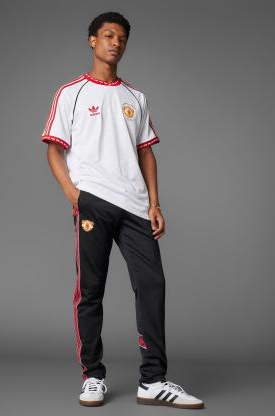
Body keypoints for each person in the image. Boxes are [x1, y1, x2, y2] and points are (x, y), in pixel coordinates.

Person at [41, 11, 204, 410]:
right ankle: (93, 376)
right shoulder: (71, 92)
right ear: (92, 40)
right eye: (108, 36)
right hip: (93, 202)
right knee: (91, 291)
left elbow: (146, 153)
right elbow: (54, 150)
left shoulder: (136, 98)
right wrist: (74, 195)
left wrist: (154, 203)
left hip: (135, 207)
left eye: (122, 38)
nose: (116, 43)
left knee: (152, 284)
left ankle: (153, 381)